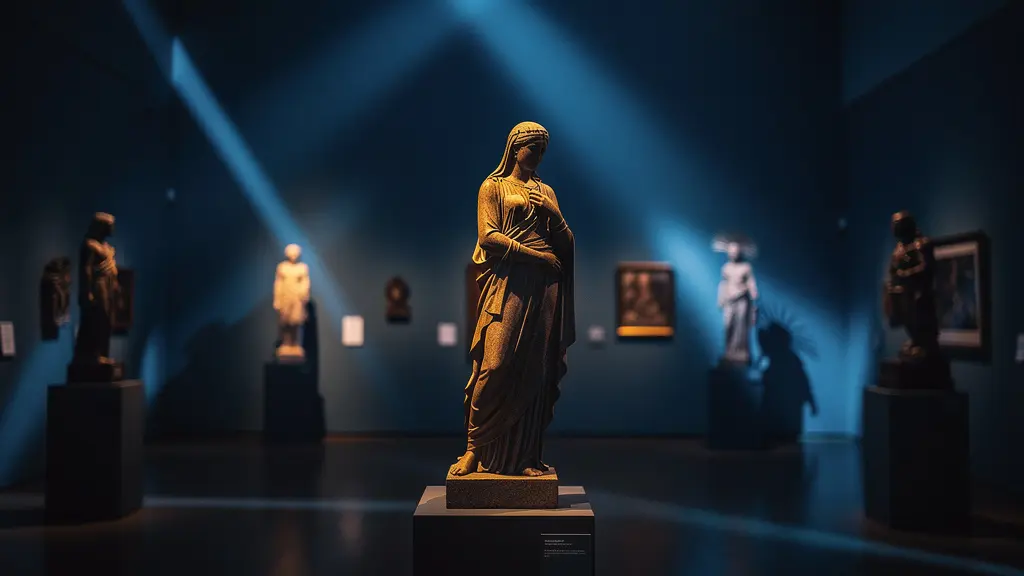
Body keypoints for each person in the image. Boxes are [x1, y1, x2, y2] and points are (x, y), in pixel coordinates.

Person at [449, 122, 576, 477]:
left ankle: (525, 457)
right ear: (515, 148)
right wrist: (537, 257)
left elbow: (565, 244)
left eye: (543, 150)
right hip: (508, 283)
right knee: (495, 364)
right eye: (534, 148)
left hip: (544, 287)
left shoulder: (546, 192)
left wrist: (555, 216)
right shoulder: (493, 187)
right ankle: (474, 448)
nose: (538, 156)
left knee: (534, 370)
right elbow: (488, 238)